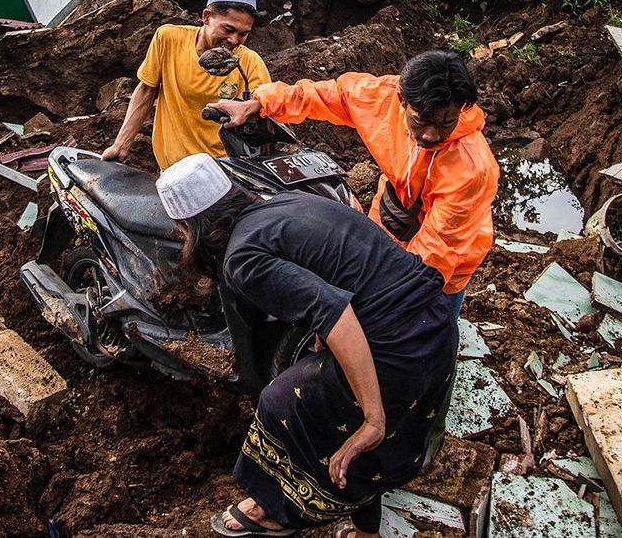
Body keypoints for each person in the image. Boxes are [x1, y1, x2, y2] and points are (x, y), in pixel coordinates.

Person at [155, 154, 458, 538]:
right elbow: (338, 280)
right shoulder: (283, 202)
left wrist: (373, 418)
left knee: (279, 402)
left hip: (396, 348)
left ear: (191, 228)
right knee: (346, 423)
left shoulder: (241, 258)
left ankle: (272, 509)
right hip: (436, 327)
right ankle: (368, 532)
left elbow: (336, 313)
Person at [208, 51, 498, 318]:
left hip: (447, 259)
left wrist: (386, 298)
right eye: (421, 122)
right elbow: (330, 94)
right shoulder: (382, 98)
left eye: (446, 123)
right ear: (403, 101)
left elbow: (437, 253)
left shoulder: (471, 169)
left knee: (429, 321)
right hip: (392, 217)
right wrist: (260, 103)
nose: (432, 135)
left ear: (462, 109)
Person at [102, 0, 271, 169]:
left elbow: (265, 106)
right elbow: (146, 91)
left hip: (223, 170)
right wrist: (121, 145)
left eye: (243, 34)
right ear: (206, 17)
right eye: (228, 29)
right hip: (174, 169)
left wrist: (251, 107)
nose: (234, 40)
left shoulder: (249, 62)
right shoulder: (169, 39)